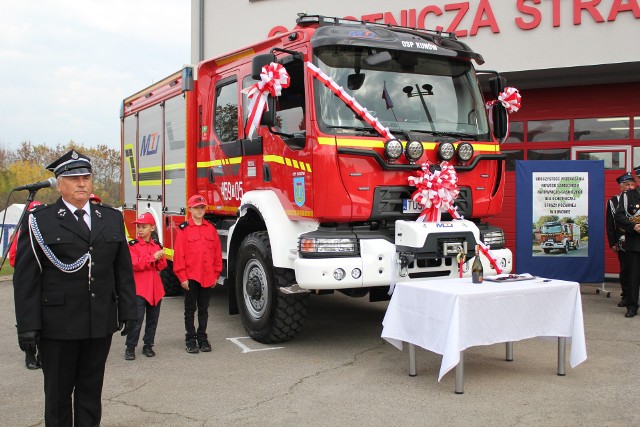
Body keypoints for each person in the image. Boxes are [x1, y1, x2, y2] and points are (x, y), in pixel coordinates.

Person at [12, 149, 137, 426]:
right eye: (74, 178)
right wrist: (27, 327)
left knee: (91, 394)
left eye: (86, 177)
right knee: (57, 397)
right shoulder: (40, 221)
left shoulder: (110, 218)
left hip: (98, 323)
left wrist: (128, 310)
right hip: (58, 327)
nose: (82, 183)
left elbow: (122, 270)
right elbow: (26, 280)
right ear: (59, 183)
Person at [173, 194, 222, 353]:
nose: (200, 210)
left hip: (207, 276)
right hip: (191, 276)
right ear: (190, 209)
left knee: (204, 309)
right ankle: (190, 339)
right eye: (196, 208)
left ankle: (202, 337)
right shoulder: (184, 229)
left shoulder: (211, 229)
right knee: (189, 309)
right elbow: (178, 255)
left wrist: (216, 274)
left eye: (202, 207)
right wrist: (182, 277)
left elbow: (217, 253)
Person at [124, 212, 167, 360]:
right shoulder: (132, 245)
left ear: (152, 228)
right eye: (139, 227)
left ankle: (148, 345)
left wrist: (160, 257)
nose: (140, 230)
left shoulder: (157, 245)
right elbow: (134, 264)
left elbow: (161, 266)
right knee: (136, 320)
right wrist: (152, 258)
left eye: (144, 226)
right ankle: (130, 347)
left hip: (155, 288)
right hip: (139, 288)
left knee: (152, 320)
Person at [8, 200, 43, 370]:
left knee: (44, 315)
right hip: (26, 279)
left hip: (43, 279)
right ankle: (29, 353)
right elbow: (14, 259)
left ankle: (42, 353)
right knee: (26, 315)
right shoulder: (19, 234)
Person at [607, 172, 636, 308]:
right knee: (625, 270)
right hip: (623, 241)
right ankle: (626, 296)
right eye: (627, 185)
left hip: (636, 240)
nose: (630, 187)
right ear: (621, 186)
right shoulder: (613, 201)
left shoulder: (636, 198)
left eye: (632, 184)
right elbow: (610, 224)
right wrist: (612, 243)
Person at [615, 166, 640, 318]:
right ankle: (632, 306)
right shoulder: (628, 196)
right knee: (633, 277)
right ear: (638, 179)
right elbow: (619, 216)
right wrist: (633, 225)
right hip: (635, 243)